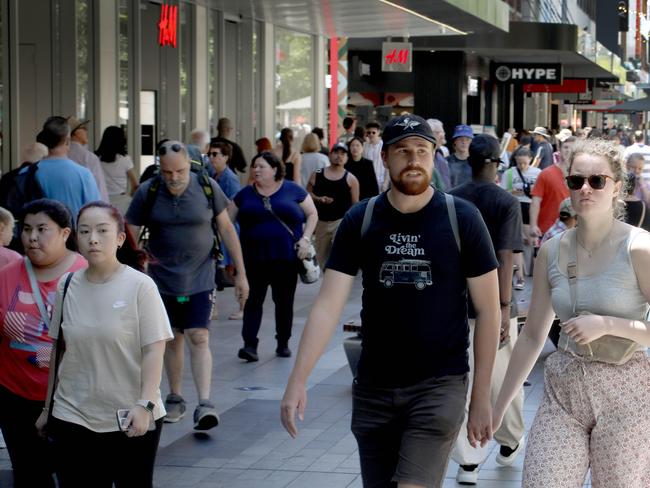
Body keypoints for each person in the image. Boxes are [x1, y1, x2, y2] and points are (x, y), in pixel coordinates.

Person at [281, 114, 501, 488]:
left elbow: (489, 311)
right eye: (402, 151)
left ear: (434, 156)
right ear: (385, 157)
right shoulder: (361, 219)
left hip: (439, 385)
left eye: (421, 151)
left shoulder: (462, 218)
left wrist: (480, 397)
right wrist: (297, 381)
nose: (413, 159)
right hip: (373, 387)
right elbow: (328, 305)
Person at [493, 137, 650, 487]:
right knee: (543, 481)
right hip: (563, 388)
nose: (585, 189)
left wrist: (608, 324)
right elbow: (532, 335)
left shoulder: (639, 247)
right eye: (576, 180)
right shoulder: (552, 251)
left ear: (617, 188)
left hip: (626, 387)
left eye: (597, 181)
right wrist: (499, 408)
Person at [35, 201, 173, 487]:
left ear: (120, 238)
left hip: (129, 416)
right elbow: (57, 348)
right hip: (72, 412)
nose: (93, 239)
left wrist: (145, 405)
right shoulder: (67, 284)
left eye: (102, 231)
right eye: (84, 231)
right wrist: (48, 408)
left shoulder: (140, 285)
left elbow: (154, 349)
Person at [126, 140, 249, 429]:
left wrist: (241, 274)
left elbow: (227, 228)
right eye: (167, 172)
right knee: (172, 339)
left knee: (198, 335)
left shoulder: (206, 186)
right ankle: (175, 397)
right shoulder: (149, 191)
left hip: (200, 276)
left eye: (179, 171)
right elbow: (128, 233)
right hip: (160, 279)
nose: (174, 178)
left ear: (188, 166)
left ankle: (205, 403)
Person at [449, 134, 525, 484]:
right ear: (497, 162)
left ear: (471, 161)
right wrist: (505, 308)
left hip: (455, 303)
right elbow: (506, 256)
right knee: (502, 377)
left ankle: (468, 461)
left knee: (461, 382)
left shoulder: (452, 199)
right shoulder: (505, 201)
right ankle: (509, 441)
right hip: (493, 302)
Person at [0, 199, 87, 487]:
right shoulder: (6, 275)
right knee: (28, 474)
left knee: (74, 474)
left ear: (65, 233)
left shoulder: (85, 275)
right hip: (14, 396)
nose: (32, 237)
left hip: (71, 398)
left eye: (42, 229)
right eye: (26, 229)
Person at [233, 151, 318, 363]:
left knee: (283, 302)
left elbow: (312, 214)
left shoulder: (292, 190)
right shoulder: (245, 194)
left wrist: (306, 238)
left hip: (285, 258)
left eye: (261, 166)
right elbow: (226, 221)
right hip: (253, 258)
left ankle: (283, 342)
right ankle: (249, 345)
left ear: (275, 169)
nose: (256, 170)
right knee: (253, 301)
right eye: (254, 166)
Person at [8, 117, 101, 224]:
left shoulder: (26, 173)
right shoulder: (84, 174)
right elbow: (95, 214)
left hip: (35, 237)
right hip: (71, 237)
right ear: (67, 141)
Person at [207, 141, 244, 320]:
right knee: (220, 270)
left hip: (228, 228)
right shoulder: (215, 175)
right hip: (220, 228)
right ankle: (213, 308)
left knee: (234, 270)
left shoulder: (229, 178)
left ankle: (243, 306)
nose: (211, 158)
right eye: (210, 154)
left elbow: (232, 205)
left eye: (215, 154)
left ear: (226, 157)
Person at [307, 142, 359, 268]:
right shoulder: (318, 173)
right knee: (320, 259)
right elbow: (308, 193)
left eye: (342, 153)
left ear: (347, 158)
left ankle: (335, 283)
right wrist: (319, 199)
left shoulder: (351, 178)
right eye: (336, 152)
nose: (339, 156)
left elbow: (355, 205)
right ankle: (323, 284)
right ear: (330, 155)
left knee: (339, 257)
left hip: (340, 222)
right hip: (321, 222)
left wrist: (351, 226)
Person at [501, 146, 542, 286]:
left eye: (525, 163)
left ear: (531, 159)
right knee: (518, 241)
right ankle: (520, 275)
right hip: (515, 207)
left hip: (531, 208)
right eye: (519, 163)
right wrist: (514, 191)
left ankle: (531, 271)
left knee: (531, 241)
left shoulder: (538, 173)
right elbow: (503, 192)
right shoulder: (509, 173)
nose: (522, 166)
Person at [529, 136, 575, 242]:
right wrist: (533, 225)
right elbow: (535, 202)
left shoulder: (581, 175)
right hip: (548, 231)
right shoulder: (546, 174)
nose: (568, 151)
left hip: (573, 231)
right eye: (566, 147)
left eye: (572, 148)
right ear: (559, 149)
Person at [96, 126, 139, 215]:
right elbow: (135, 185)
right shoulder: (125, 159)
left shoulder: (95, 158)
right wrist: (129, 197)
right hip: (122, 202)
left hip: (101, 200)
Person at [66, 116, 109, 202]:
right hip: (86, 206)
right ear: (77, 132)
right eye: (84, 128)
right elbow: (99, 188)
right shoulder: (88, 157)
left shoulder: (61, 154)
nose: (86, 131)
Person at [447, 124, 473, 188]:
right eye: (460, 139)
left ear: (471, 142)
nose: (464, 142)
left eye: (467, 139)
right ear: (455, 141)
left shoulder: (476, 163)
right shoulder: (446, 162)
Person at [362, 122, 385, 191]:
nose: (371, 134)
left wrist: (385, 183)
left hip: (380, 181)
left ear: (378, 132)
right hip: (366, 181)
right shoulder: (363, 146)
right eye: (368, 132)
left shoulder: (384, 146)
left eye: (373, 132)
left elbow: (388, 167)